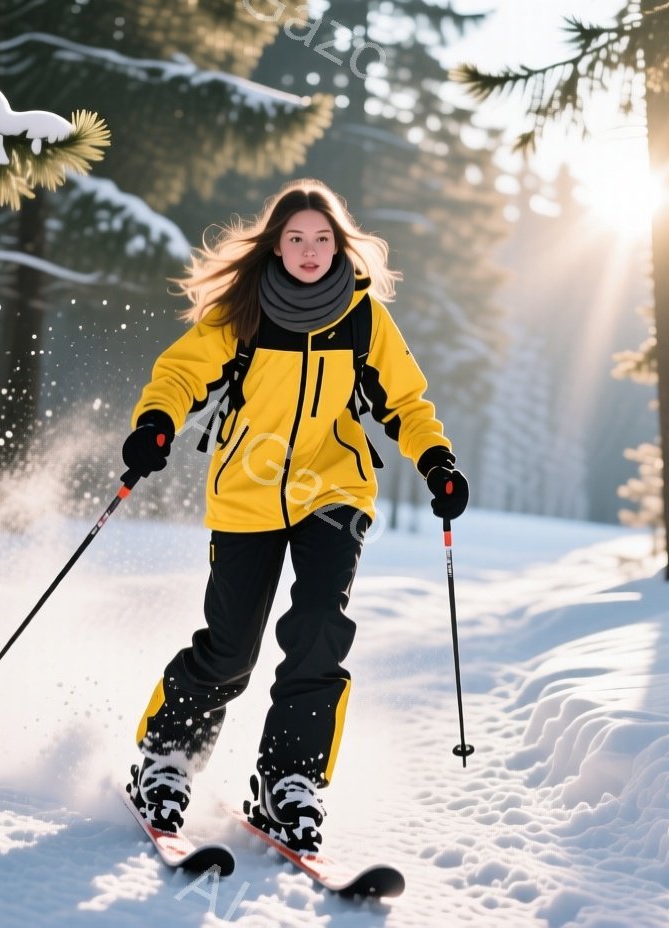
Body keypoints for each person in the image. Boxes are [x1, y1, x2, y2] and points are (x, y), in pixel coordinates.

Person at [121, 178, 468, 853]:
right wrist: (156, 422)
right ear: (275, 246)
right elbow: (181, 374)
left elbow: (406, 402)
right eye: (296, 238)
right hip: (246, 494)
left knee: (317, 631)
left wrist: (437, 461)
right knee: (230, 651)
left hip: (333, 492)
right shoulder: (244, 312)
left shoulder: (363, 318)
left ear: (340, 245)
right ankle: (165, 760)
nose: (310, 250)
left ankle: (289, 782)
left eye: (322, 238)